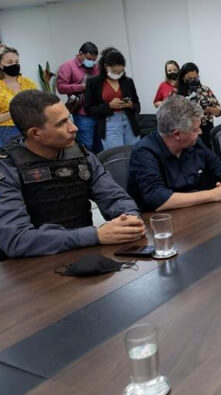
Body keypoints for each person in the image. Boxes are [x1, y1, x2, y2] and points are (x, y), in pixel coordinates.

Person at [0, 90, 145, 259]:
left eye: (69, 118)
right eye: (61, 123)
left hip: (84, 258)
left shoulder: (81, 156)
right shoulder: (8, 169)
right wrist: (94, 236)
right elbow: (16, 240)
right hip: (34, 271)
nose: (73, 127)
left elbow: (115, 197)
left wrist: (129, 218)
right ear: (35, 133)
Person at [128, 95, 221, 212]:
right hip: (160, 222)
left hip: (195, 213)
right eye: (195, 129)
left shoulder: (194, 143)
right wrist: (214, 195)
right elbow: (159, 200)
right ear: (177, 134)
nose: (200, 132)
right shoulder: (144, 153)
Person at [84, 47, 141, 150]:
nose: (118, 75)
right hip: (109, 123)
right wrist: (109, 106)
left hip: (129, 122)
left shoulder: (128, 81)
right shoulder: (94, 82)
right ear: (106, 66)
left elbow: (137, 105)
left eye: (120, 72)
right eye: (115, 72)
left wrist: (131, 104)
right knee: (116, 157)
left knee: (135, 154)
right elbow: (89, 109)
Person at [56, 42, 100, 152]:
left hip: (99, 112)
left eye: (94, 60)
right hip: (83, 113)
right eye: (89, 59)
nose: (92, 62)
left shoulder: (96, 68)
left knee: (100, 146)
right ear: (80, 54)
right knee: (86, 146)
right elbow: (61, 87)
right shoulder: (67, 66)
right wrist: (81, 87)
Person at [175, 62, 221, 150]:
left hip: (205, 129)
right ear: (183, 77)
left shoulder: (205, 90)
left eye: (195, 78)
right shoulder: (176, 92)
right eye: (189, 78)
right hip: (185, 130)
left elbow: (219, 111)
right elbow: (171, 115)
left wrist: (207, 108)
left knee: (207, 155)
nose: (193, 80)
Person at [0, 46, 37, 147]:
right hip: (7, 130)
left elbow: (38, 105)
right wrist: (15, 112)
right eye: (9, 62)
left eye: (16, 62)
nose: (14, 65)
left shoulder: (28, 83)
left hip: (31, 128)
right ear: (1, 65)